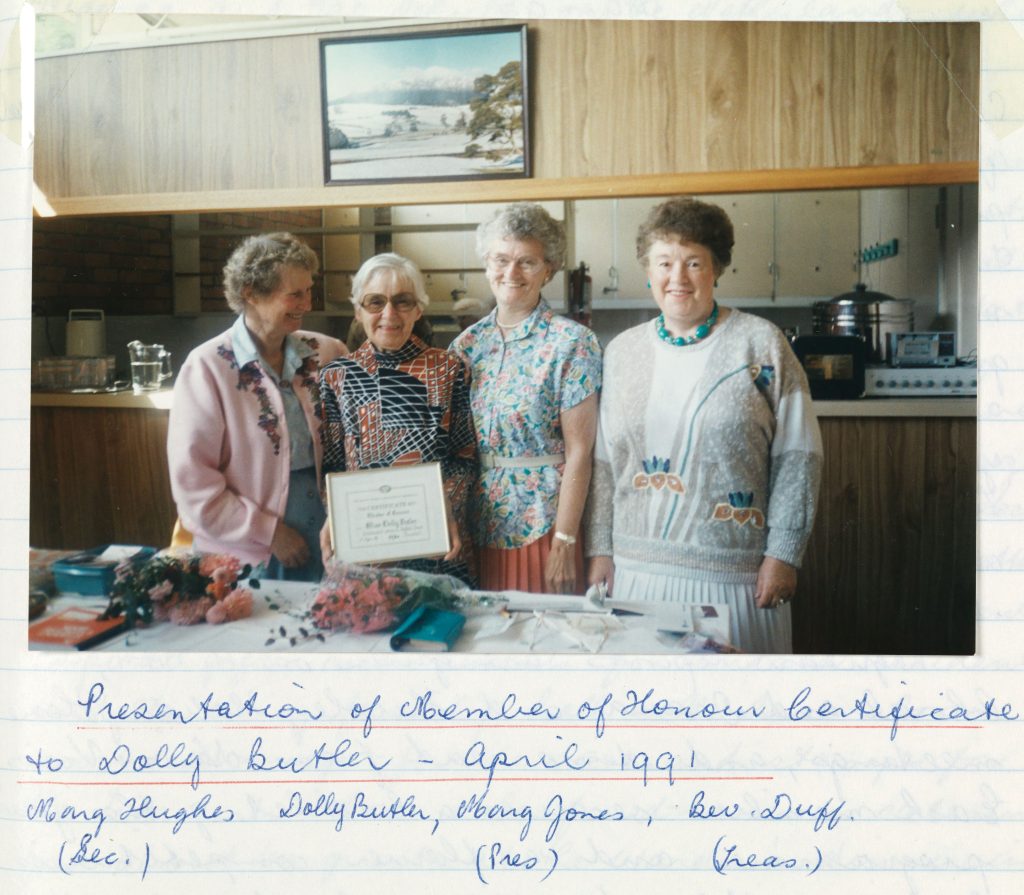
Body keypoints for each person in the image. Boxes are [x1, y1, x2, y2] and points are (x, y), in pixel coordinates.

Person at [585, 197, 823, 653]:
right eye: (664, 262)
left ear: (717, 269)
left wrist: (784, 554)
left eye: (694, 262)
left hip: (737, 577)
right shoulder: (621, 352)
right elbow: (603, 463)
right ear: (648, 271)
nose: (678, 277)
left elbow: (799, 457)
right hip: (636, 572)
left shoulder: (761, 343)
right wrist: (600, 550)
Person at [167, 232, 346, 580]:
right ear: (251, 293)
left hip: (331, 539)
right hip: (250, 554)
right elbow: (194, 487)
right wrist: (270, 532)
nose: (307, 304)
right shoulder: (206, 368)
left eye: (309, 291)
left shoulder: (327, 353)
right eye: (295, 294)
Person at [451, 203, 602, 595]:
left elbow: (581, 451)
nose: (511, 273)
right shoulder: (466, 345)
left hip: (544, 524)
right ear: (486, 264)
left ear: (549, 269)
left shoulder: (572, 343)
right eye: (501, 260)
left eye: (527, 262)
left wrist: (565, 542)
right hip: (476, 523)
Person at [319, 253, 477, 584]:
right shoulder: (336, 376)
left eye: (402, 302)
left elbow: (465, 457)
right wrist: (334, 515)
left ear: (419, 309)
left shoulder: (449, 369)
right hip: (364, 542)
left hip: (436, 542)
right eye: (375, 302)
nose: (388, 314)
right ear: (357, 310)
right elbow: (332, 467)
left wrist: (444, 508)